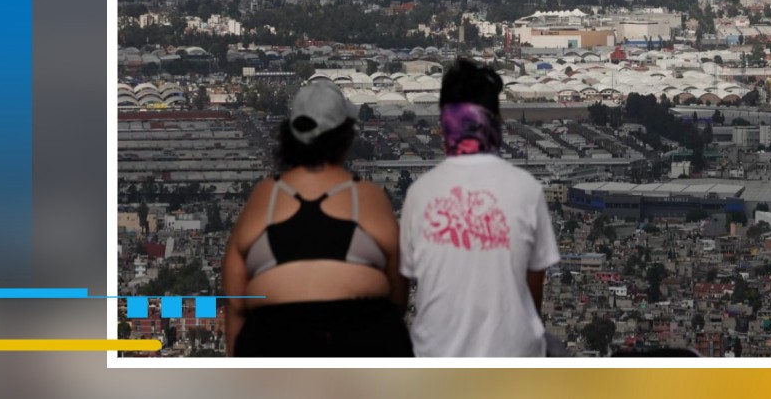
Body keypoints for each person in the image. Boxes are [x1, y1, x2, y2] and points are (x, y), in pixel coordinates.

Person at [222, 80, 412, 356]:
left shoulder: (264, 199)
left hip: (275, 341)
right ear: (345, 137)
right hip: (362, 339)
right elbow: (398, 294)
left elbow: (236, 302)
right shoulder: (367, 198)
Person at [399, 58, 560, 356]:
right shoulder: (527, 190)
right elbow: (532, 298)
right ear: (494, 121)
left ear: (444, 122)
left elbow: (406, 289)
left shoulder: (419, 195)